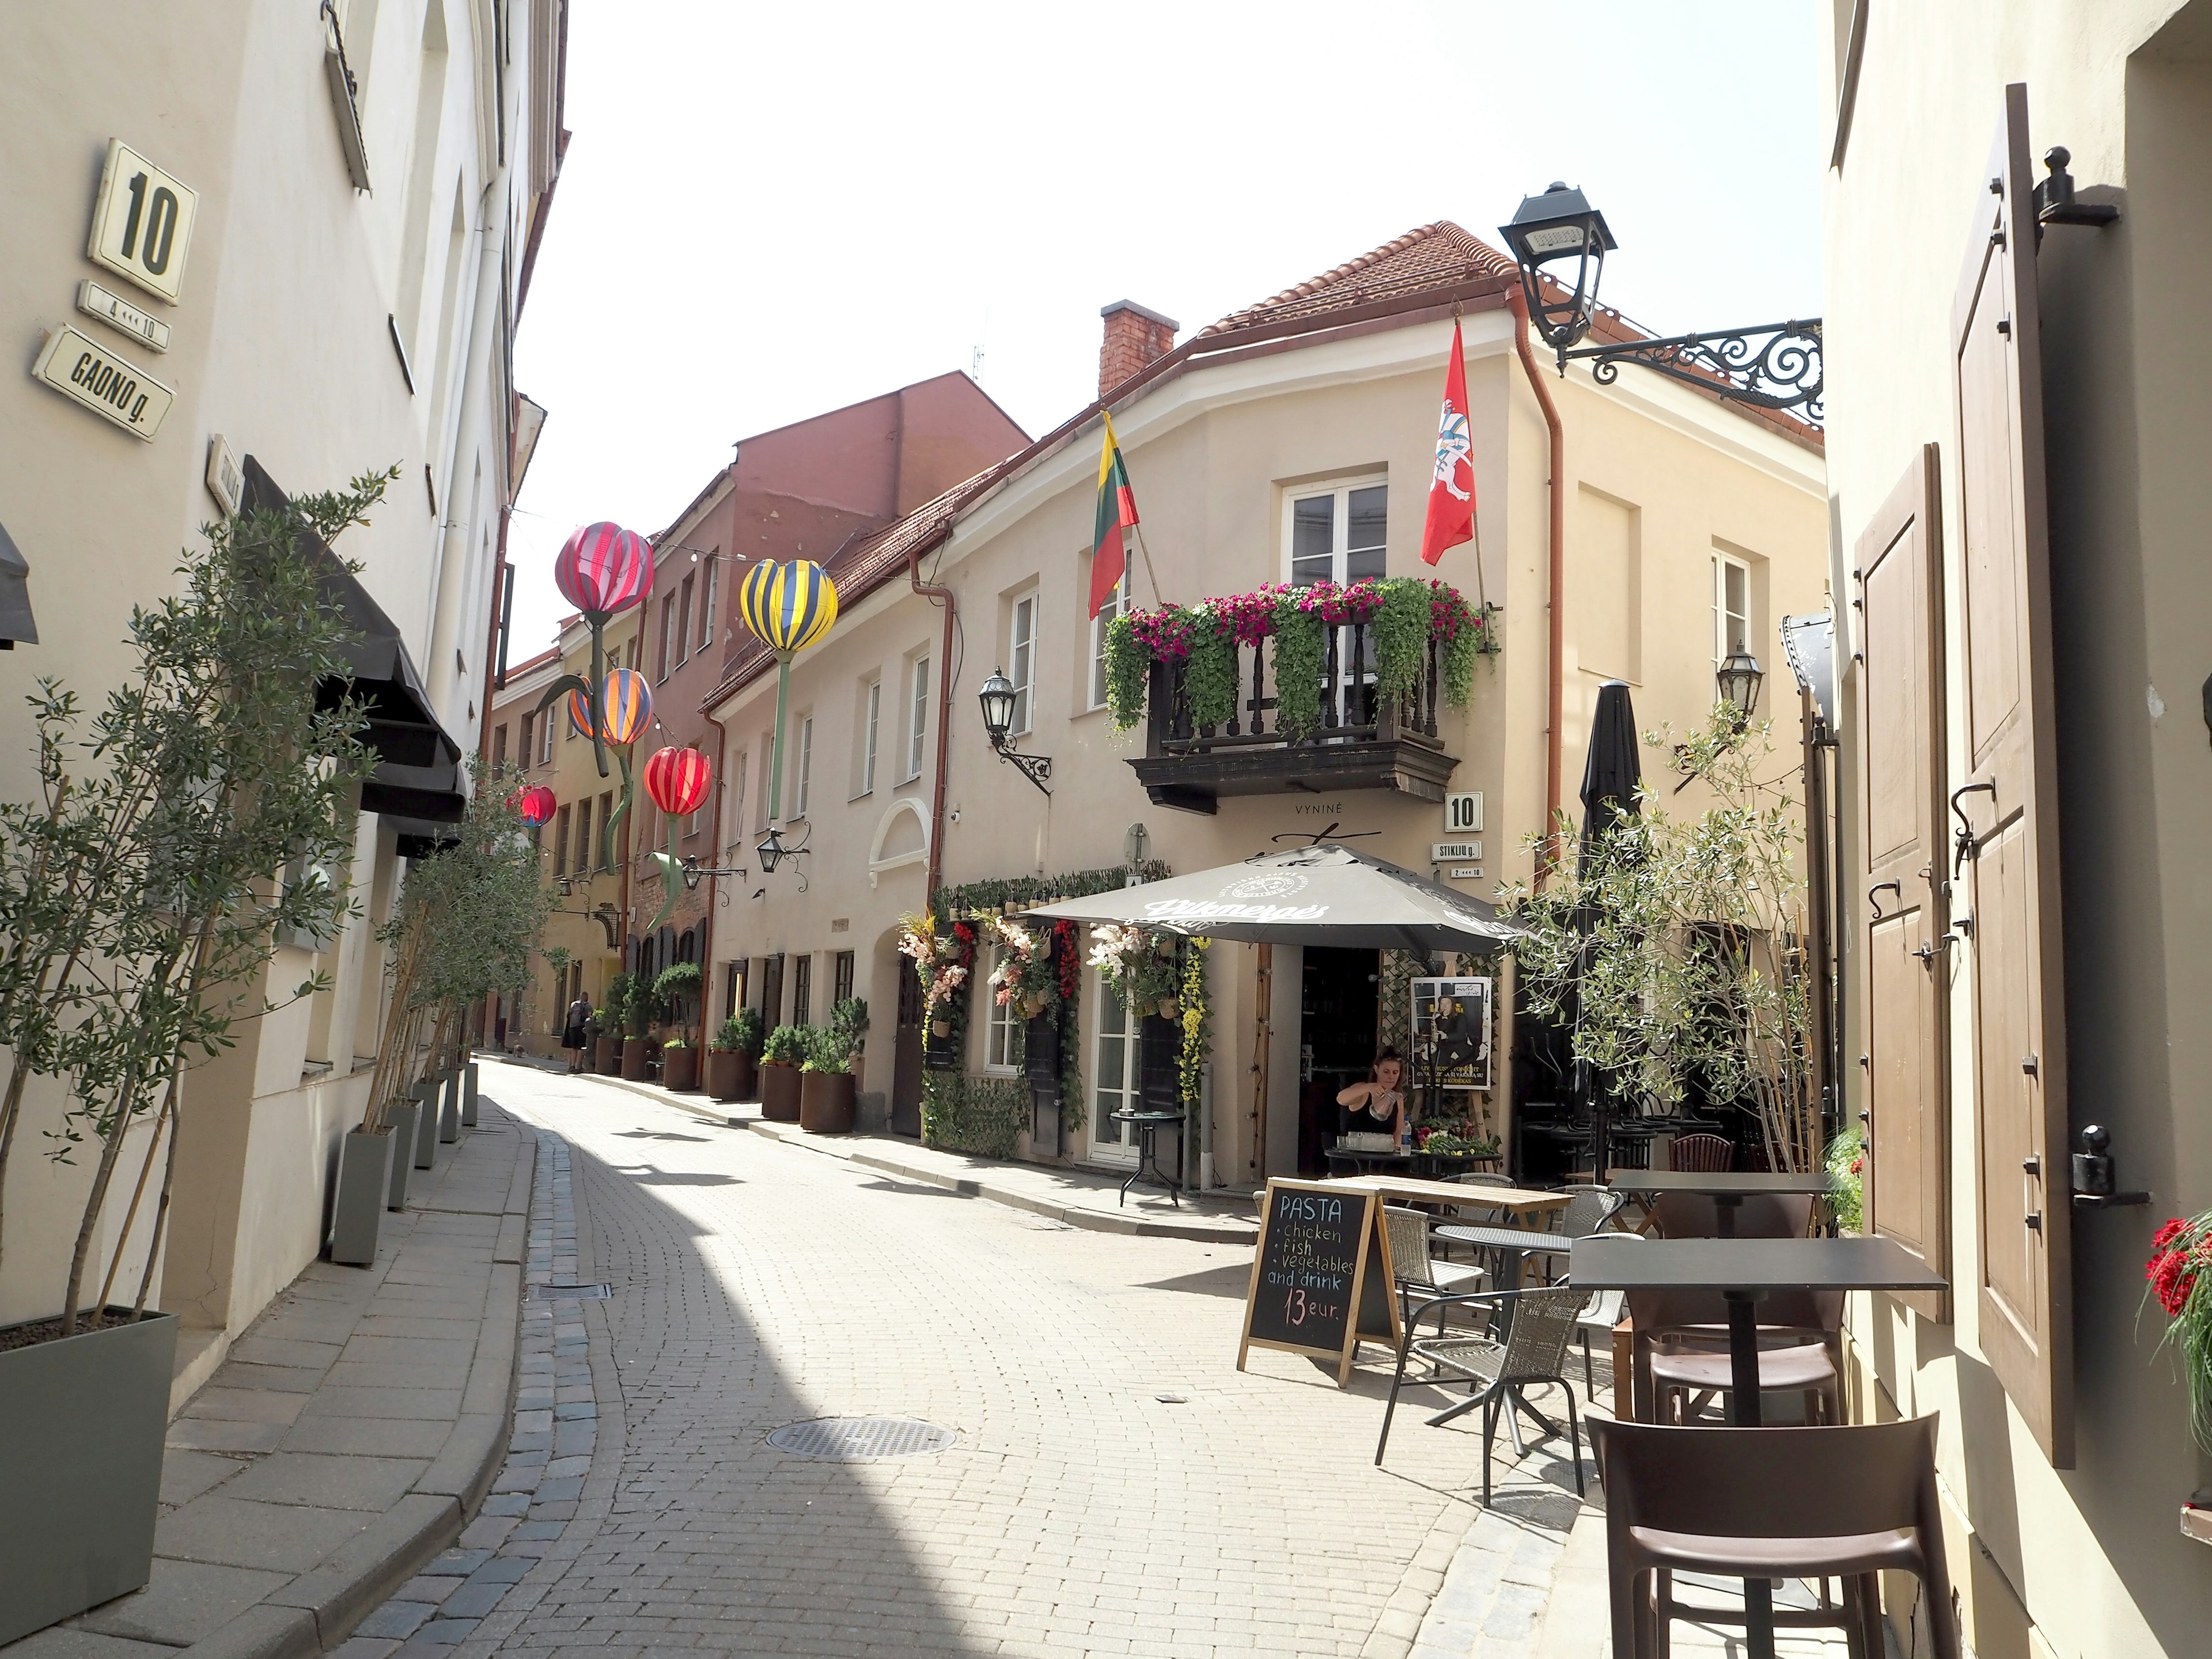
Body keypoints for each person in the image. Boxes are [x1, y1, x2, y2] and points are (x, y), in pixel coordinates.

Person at [1337, 1047, 1407, 1147]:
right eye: (1386, 1072)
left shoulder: (1398, 1099)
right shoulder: (1364, 1090)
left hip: (1383, 1156)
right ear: (1377, 1070)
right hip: (1355, 1154)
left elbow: (1398, 1133)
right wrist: (1368, 1087)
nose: (1391, 1077)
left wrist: (1397, 1152)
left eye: (1395, 1072)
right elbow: (1341, 1099)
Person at [562, 991, 593, 1073]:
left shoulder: (573, 1004)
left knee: (573, 1048)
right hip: (582, 1028)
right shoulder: (588, 1006)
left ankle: (571, 1066)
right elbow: (590, 1017)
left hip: (572, 1028)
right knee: (581, 1048)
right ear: (587, 998)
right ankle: (578, 1067)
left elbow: (569, 1015)